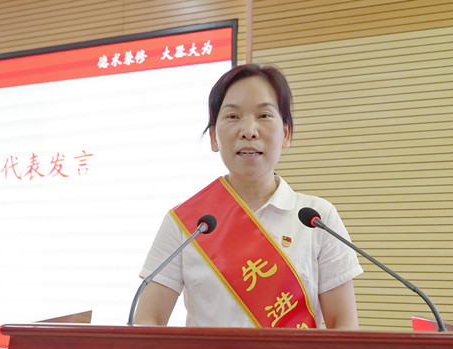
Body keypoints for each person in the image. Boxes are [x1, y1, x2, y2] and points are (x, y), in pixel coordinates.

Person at [134, 63, 362, 329]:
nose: (249, 131)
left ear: (286, 134)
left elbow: (343, 323)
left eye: (264, 115)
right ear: (213, 138)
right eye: (233, 116)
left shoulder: (318, 219)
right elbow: (148, 319)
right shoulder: (187, 223)